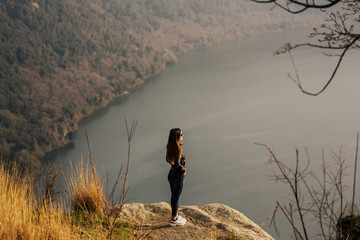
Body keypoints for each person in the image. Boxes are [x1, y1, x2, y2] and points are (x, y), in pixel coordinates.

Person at [166, 128, 187, 226]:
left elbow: (168, 160)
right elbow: (178, 164)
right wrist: (183, 171)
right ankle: (174, 219)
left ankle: (175, 216)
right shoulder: (178, 148)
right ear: (177, 136)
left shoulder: (170, 146)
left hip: (171, 174)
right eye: (181, 134)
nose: (183, 135)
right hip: (177, 175)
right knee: (176, 197)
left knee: (173, 196)